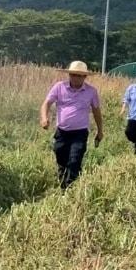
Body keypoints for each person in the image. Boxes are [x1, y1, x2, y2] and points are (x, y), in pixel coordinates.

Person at [40, 60, 104, 188]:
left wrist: (100, 130)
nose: (76, 78)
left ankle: (70, 189)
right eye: (73, 74)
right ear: (69, 75)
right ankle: (63, 183)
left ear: (84, 77)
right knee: (61, 159)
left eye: (79, 75)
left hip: (79, 133)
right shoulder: (59, 87)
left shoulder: (91, 91)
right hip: (62, 132)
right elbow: (46, 103)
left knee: (74, 160)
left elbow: (97, 112)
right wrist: (44, 118)